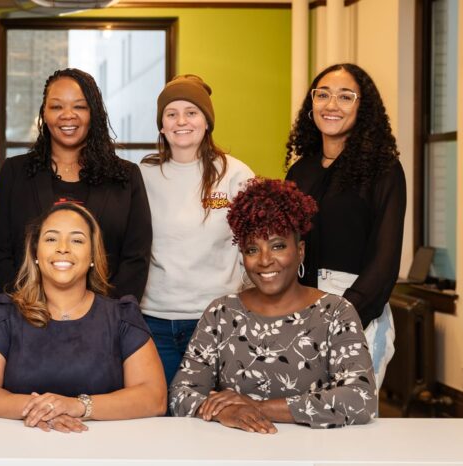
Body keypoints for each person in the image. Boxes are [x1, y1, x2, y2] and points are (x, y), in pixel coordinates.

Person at [169, 178, 376, 432]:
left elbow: (361, 399)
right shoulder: (221, 313)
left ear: (300, 251)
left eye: (277, 246)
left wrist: (256, 407)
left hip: (313, 455)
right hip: (234, 453)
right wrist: (228, 412)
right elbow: (180, 394)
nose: (265, 260)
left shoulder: (335, 313)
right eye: (252, 249)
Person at [0, 203, 166, 433]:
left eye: (77, 240)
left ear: (92, 255)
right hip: (20, 449)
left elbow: (154, 397)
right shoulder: (5, 313)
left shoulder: (122, 317)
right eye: (51, 239)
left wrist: (78, 406)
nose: (63, 248)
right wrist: (41, 408)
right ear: (35, 253)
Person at [285, 63, 404, 388]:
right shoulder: (300, 172)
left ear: (363, 108)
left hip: (359, 308)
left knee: (350, 423)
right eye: (322, 94)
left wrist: (342, 316)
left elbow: (385, 259)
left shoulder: (383, 170)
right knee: (301, 419)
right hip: (301, 308)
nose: (331, 105)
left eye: (345, 96)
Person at [0, 68, 151, 303]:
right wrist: (27, 306)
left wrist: (107, 314)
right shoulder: (15, 172)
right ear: (44, 113)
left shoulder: (125, 176)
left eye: (80, 106)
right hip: (28, 315)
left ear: (93, 113)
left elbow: (136, 258)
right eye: (56, 107)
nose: (68, 115)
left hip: (106, 320)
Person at [139, 74, 255, 386]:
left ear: (207, 121)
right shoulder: (144, 174)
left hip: (217, 318)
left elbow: (254, 245)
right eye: (171, 114)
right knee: (158, 416)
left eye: (192, 112)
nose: (182, 122)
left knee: (213, 415)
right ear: (162, 125)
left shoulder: (235, 173)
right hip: (154, 320)